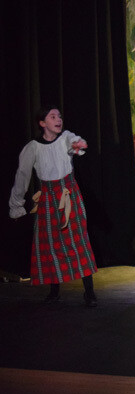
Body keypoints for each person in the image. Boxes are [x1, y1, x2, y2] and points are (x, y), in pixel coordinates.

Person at [9, 105, 98, 306]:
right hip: (48, 198)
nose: (58, 119)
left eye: (59, 116)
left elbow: (73, 141)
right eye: (52, 117)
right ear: (42, 123)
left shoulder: (65, 137)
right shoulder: (33, 147)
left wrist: (77, 144)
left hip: (69, 195)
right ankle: (54, 291)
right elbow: (22, 175)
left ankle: (89, 292)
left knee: (78, 241)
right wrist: (16, 205)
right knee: (50, 243)